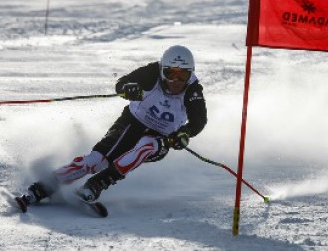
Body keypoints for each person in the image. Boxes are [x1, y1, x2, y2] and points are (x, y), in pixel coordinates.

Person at [16, 45, 207, 212]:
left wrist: (185, 133)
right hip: (133, 123)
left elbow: (199, 120)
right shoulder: (152, 73)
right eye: (171, 73)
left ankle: (97, 184)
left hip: (163, 137)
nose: (176, 81)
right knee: (97, 160)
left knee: (147, 146)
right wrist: (129, 88)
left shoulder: (193, 90)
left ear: (191, 74)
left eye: (183, 75)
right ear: (162, 70)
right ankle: (45, 186)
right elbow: (121, 84)